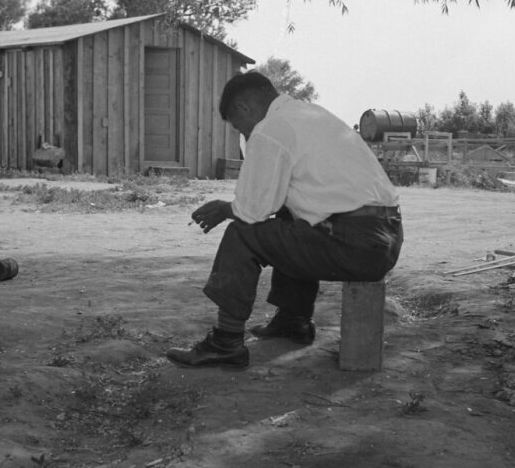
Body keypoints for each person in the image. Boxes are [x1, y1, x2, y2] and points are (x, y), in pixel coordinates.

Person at [166, 71, 403, 368]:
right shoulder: (309, 113)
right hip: (386, 236)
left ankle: (226, 341)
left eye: (239, 128)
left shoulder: (271, 128)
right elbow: (280, 203)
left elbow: (252, 211)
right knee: (290, 216)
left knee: (242, 233)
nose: (244, 136)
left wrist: (224, 209)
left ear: (244, 108)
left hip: (356, 242)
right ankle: (294, 319)